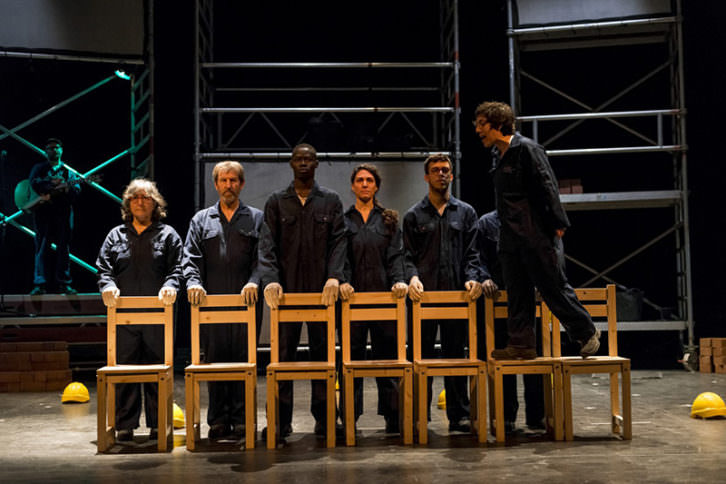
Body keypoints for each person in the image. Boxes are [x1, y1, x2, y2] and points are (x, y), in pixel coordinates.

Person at [473, 101, 600, 360]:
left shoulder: (527, 149)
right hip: (509, 237)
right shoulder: (498, 155)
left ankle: (585, 331)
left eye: (482, 124)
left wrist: (558, 223)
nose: (478, 130)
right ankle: (521, 344)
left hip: (534, 234)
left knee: (552, 286)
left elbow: (547, 185)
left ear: (498, 124)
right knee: (517, 293)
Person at [258, 143, 347, 438]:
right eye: (299, 159)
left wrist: (335, 277)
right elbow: (267, 244)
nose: (304, 163)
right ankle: (280, 422)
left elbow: (338, 243)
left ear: (317, 164)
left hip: (322, 294)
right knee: (282, 358)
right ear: (291, 164)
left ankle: (324, 421)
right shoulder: (276, 201)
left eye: (310, 159)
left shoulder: (331, 201)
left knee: (324, 357)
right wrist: (270, 279)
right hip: (286, 294)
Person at [96, 178, 183, 442]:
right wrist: (107, 285)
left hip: (159, 316)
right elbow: (103, 268)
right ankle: (125, 425)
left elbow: (178, 268)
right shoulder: (115, 235)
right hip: (124, 317)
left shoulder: (168, 235)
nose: (140, 201)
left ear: (155, 203)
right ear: (128, 204)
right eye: (135, 197)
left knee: (159, 369)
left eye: (146, 197)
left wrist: (170, 285)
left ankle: (159, 424)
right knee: (125, 370)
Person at [183, 161, 264, 441]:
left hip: (247, 303)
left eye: (233, 180)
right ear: (215, 184)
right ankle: (218, 419)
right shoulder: (201, 220)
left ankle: (242, 419)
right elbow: (190, 259)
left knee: (244, 360)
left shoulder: (256, 218)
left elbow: (263, 258)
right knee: (215, 360)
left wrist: (255, 280)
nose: (228, 185)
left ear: (241, 184)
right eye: (223, 180)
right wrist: (193, 283)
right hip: (212, 304)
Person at [403, 153, 483, 433]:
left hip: (456, 298)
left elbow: (473, 254)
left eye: (446, 170)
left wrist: (473, 279)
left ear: (453, 175)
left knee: (455, 357)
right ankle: (418, 415)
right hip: (423, 300)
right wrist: (411, 277)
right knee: (420, 356)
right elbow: (407, 256)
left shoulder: (466, 213)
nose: (441, 174)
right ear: (426, 177)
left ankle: (459, 415)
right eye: (435, 170)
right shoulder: (414, 215)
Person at [338, 164, 408, 434]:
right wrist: (343, 281)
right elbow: (340, 257)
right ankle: (349, 421)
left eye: (369, 180)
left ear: (376, 186)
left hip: (384, 301)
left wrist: (399, 280)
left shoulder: (389, 219)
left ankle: (393, 418)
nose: (365, 184)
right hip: (351, 304)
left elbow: (396, 256)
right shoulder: (343, 221)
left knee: (387, 361)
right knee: (350, 362)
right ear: (353, 186)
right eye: (359, 180)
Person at [476, 210, 544, 433]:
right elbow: (479, 257)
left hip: (528, 301)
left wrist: (546, 284)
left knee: (534, 359)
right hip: (499, 300)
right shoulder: (487, 223)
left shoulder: (532, 220)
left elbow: (546, 254)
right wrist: (484, 277)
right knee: (504, 360)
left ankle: (537, 416)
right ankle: (506, 417)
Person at [29, 138, 81, 295]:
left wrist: (65, 189)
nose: (54, 150)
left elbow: (76, 190)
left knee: (63, 249)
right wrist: (52, 184)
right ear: (46, 151)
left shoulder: (68, 171)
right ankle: (40, 283)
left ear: (61, 150)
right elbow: (34, 183)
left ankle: (64, 283)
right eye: (50, 148)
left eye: (57, 147)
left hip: (63, 215)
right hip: (43, 214)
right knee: (42, 247)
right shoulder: (39, 168)